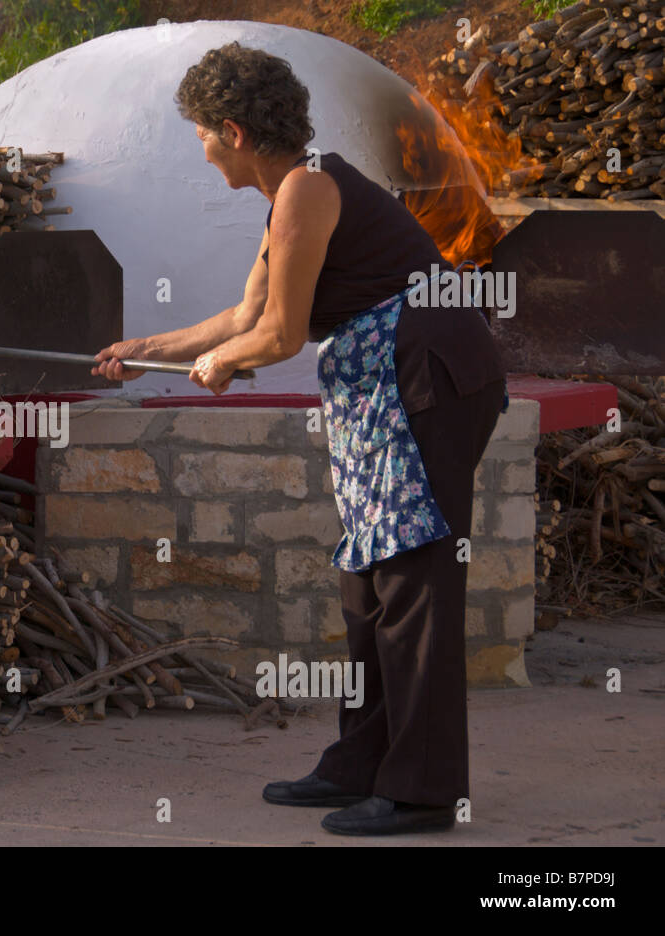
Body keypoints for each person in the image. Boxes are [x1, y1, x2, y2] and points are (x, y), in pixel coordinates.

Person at [92, 42, 509, 836]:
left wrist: (222, 363)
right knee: (369, 584)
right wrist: (141, 350)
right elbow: (244, 318)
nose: (201, 149)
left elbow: (277, 337)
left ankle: (422, 790)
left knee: (414, 582)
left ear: (233, 130)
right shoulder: (293, 188)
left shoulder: (310, 189)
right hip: (389, 389)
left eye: (201, 135)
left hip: (428, 383)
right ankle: (361, 764)